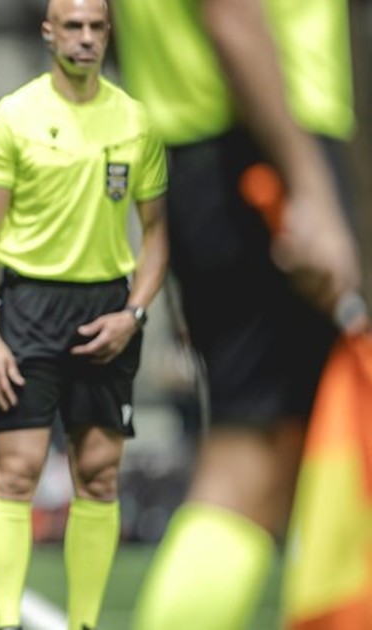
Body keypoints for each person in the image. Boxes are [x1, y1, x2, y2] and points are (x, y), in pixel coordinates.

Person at [109, 1, 368, 628]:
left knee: (274, 455)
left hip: (207, 146)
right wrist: (309, 186)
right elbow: (231, 14)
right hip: (256, 142)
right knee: (252, 459)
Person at [0, 1, 169, 628]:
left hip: (108, 308)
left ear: (108, 34)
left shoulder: (136, 122)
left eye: (96, 26)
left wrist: (134, 313)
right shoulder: (14, 116)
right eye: (72, 26)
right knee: (17, 471)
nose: (85, 37)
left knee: (99, 476)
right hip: (28, 306)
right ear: (48, 32)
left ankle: (83, 622)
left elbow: (158, 233)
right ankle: (5, 621)